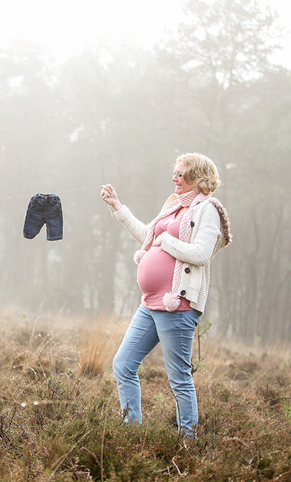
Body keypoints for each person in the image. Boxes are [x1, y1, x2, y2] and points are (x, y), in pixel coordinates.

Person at [100, 153, 231, 438]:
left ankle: (188, 441)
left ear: (197, 177)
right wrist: (118, 206)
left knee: (179, 378)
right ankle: (131, 432)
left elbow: (201, 254)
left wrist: (167, 241)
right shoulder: (174, 205)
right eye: (175, 173)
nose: (174, 178)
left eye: (180, 174)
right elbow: (147, 235)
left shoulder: (207, 210)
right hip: (151, 304)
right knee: (123, 365)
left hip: (178, 305)